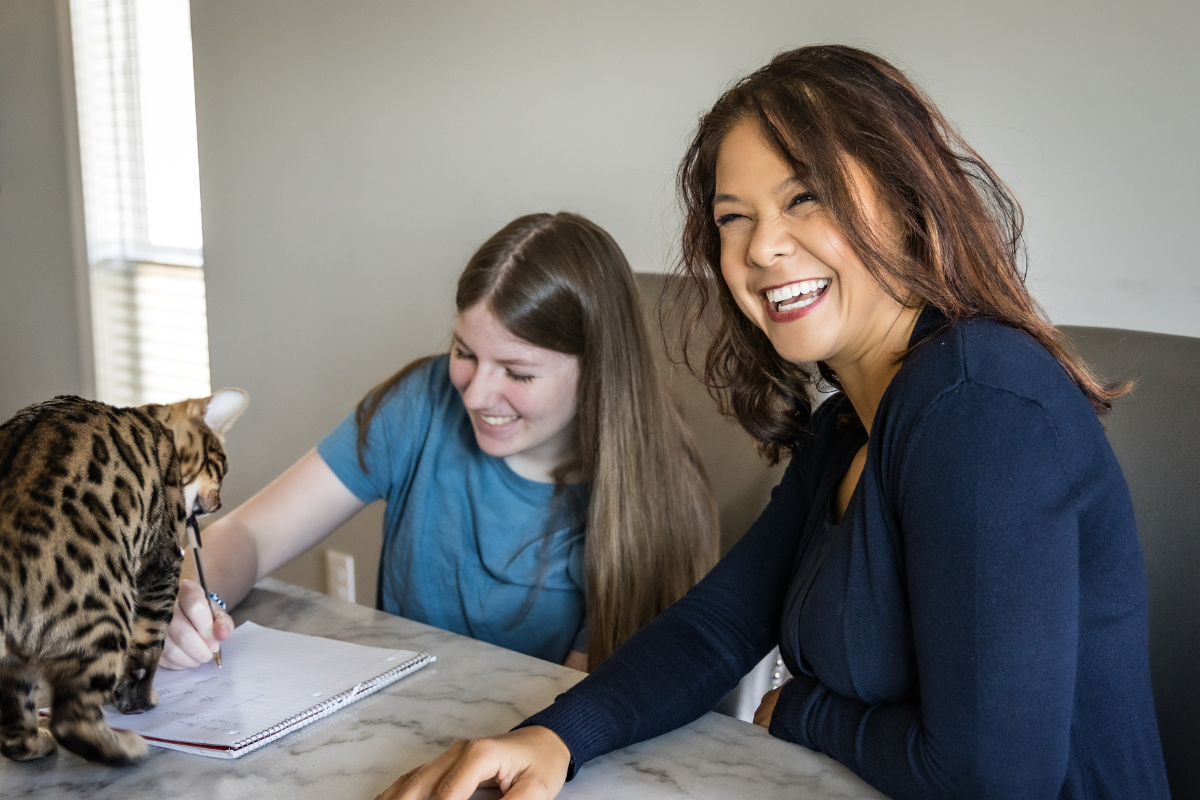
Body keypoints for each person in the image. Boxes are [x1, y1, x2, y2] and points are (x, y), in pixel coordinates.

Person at [380, 46, 1170, 800]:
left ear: (904, 201)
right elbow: (720, 626)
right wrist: (554, 738)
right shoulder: (849, 428)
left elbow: (995, 780)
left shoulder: (979, 402)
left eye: (804, 198)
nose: (762, 248)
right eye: (733, 218)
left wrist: (798, 713)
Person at [161, 212, 719, 674]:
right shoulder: (421, 401)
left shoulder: (652, 503)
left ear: (600, 372)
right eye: (465, 353)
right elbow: (252, 534)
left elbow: (578, 716)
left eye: (518, 374)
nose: (476, 395)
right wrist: (186, 599)